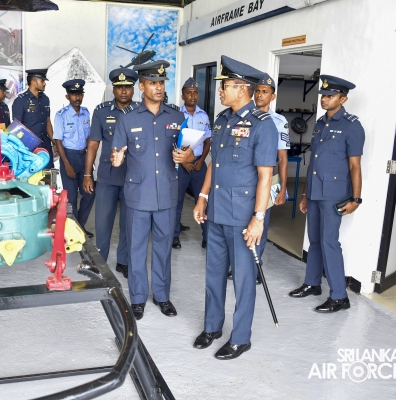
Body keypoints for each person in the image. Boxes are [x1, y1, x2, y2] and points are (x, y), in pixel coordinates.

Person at [192, 56, 277, 360]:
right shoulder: (221, 120)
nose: (220, 90)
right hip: (216, 212)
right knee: (214, 275)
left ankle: (241, 338)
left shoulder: (263, 125)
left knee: (243, 279)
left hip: (243, 217)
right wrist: (202, 197)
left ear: (242, 89)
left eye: (225, 85)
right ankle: (212, 327)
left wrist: (259, 218)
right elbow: (214, 163)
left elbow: (266, 177)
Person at [111, 60, 194, 320]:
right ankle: (137, 298)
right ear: (142, 87)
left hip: (167, 195)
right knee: (136, 249)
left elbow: (188, 153)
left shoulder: (177, 117)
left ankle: (162, 295)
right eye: (152, 83)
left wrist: (187, 157)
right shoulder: (127, 119)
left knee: (163, 248)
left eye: (161, 82)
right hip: (138, 196)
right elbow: (117, 153)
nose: (158, 87)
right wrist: (117, 159)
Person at [289, 75, 364, 313]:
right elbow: (314, 163)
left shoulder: (352, 126)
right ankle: (312, 283)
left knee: (329, 242)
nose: (324, 99)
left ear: (343, 99)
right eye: (323, 95)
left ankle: (340, 296)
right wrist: (304, 194)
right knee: (314, 240)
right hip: (314, 191)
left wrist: (356, 198)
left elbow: (355, 166)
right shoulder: (320, 124)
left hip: (334, 194)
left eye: (330, 95)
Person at [226, 73, 292, 283]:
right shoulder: (243, 116)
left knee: (260, 221)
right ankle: (237, 265)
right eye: (258, 91)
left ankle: (255, 268)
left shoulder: (279, 122)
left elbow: (282, 158)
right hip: (244, 178)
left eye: (265, 92)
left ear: (273, 96)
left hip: (266, 179)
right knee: (240, 222)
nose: (260, 95)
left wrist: (282, 187)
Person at [84, 68, 139, 278]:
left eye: (128, 87)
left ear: (134, 89)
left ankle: (123, 261)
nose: (124, 91)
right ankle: (100, 262)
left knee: (129, 222)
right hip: (107, 176)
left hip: (133, 176)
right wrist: (87, 175)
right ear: (113, 89)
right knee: (103, 222)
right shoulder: (101, 111)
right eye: (119, 87)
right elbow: (93, 144)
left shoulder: (140, 112)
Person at [172, 77, 211, 250]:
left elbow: (207, 141)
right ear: (183, 96)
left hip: (198, 165)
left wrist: (201, 161)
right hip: (180, 166)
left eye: (195, 92)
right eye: (189, 93)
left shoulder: (204, 116)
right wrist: (183, 162)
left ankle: (207, 237)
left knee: (204, 199)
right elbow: (172, 142)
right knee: (176, 201)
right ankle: (174, 236)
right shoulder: (176, 115)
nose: (193, 96)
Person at [53, 79, 95, 237]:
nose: (77, 97)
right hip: (68, 157)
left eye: (79, 94)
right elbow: (58, 141)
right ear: (67, 97)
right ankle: (74, 231)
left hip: (84, 157)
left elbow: (89, 137)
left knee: (89, 193)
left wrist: (90, 160)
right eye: (73, 94)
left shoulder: (86, 112)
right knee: (71, 197)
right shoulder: (61, 115)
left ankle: (80, 227)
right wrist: (66, 164)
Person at [12, 69, 55, 170]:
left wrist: (54, 142)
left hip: (45, 145)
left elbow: (48, 122)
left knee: (48, 173)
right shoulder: (21, 100)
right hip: (29, 147)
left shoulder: (45, 99)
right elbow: (17, 127)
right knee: (32, 174)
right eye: (42, 81)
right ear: (33, 82)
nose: (44, 83)